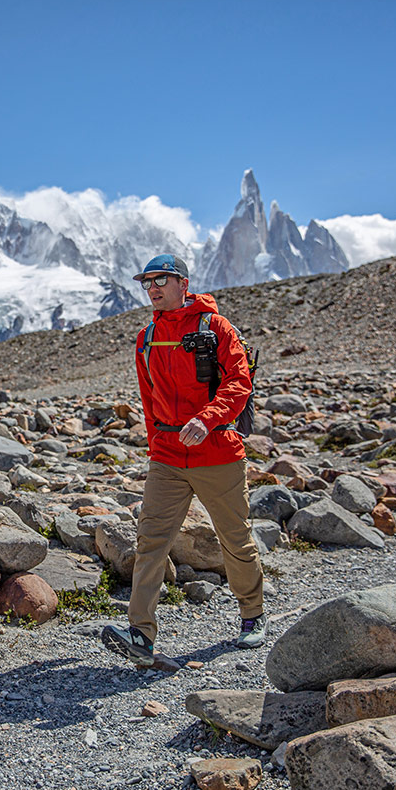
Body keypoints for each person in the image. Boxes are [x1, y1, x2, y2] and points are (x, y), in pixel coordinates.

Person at [102, 253, 266, 667]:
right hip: (168, 457)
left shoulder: (217, 326)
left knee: (235, 538)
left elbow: (239, 383)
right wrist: (156, 444)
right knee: (150, 541)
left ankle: (253, 615)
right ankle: (140, 634)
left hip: (218, 452)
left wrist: (207, 419)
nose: (154, 288)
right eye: (148, 282)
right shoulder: (146, 338)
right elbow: (148, 397)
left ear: (183, 283)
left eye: (162, 280)